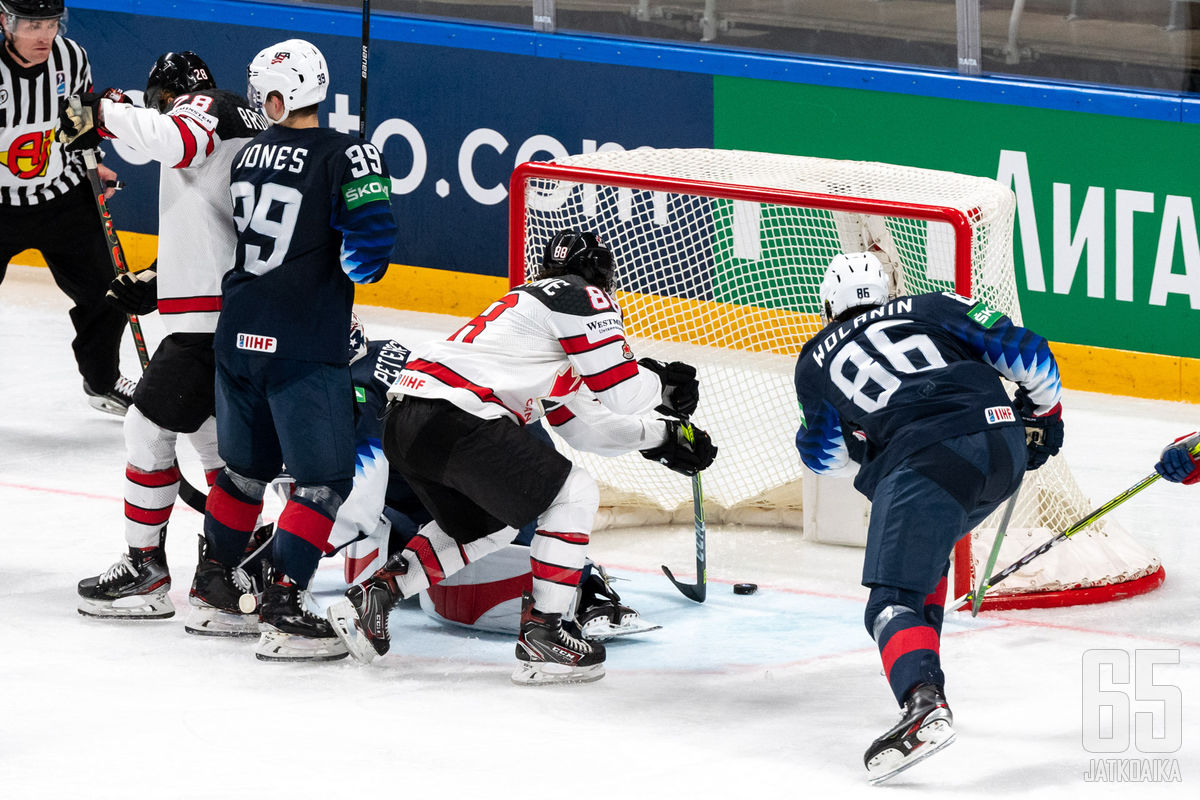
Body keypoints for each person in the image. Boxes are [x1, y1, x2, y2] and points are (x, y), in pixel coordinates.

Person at [327, 229, 716, 685]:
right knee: (573, 494)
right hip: (456, 415)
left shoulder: (529, 321)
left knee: (491, 524)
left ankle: (376, 595)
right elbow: (623, 392)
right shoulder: (579, 293)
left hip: (407, 419)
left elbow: (585, 426)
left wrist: (661, 438)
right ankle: (546, 634)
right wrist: (664, 386)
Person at [793, 252, 1063, 784]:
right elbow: (1028, 352)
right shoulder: (934, 305)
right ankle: (925, 680)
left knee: (890, 604)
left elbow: (821, 454)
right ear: (889, 291)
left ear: (830, 305)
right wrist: (1042, 416)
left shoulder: (814, 359)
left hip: (927, 462)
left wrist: (876, 453)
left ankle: (923, 702)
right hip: (1002, 448)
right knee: (928, 559)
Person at [191, 39, 397, 662]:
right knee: (324, 480)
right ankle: (283, 603)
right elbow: (369, 256)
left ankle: (212, 588)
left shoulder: (249, 154)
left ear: (280, 94)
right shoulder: (351, 151)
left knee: (244, 472)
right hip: (302, 340)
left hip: (239, 331)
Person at [61, 51, 268, 621]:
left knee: (145, 428)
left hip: (210, 320)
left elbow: (173, 139)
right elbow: (217, 219)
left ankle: (145, 570)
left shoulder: (209, 108)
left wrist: (104, 108)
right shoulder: (242, 121)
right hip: (229, 304)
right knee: (211, 439)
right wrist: (159, 279)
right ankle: (241, 557)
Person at [323, 321, 662, 642]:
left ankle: (580, 590)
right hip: (462, 463)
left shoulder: (352, 387)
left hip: (475, 478)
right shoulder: (382, 353)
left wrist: (295, 555)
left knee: (529, 512)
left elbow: (358, 505)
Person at [0, 0, 135, 415]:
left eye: (51, 23)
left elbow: (75, 122)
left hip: (63, 198)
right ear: (5, 21)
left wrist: (95, 167)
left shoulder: (70, 56)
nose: (44, 35)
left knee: (110, 290)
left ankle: (103, 381)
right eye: (32, 24)